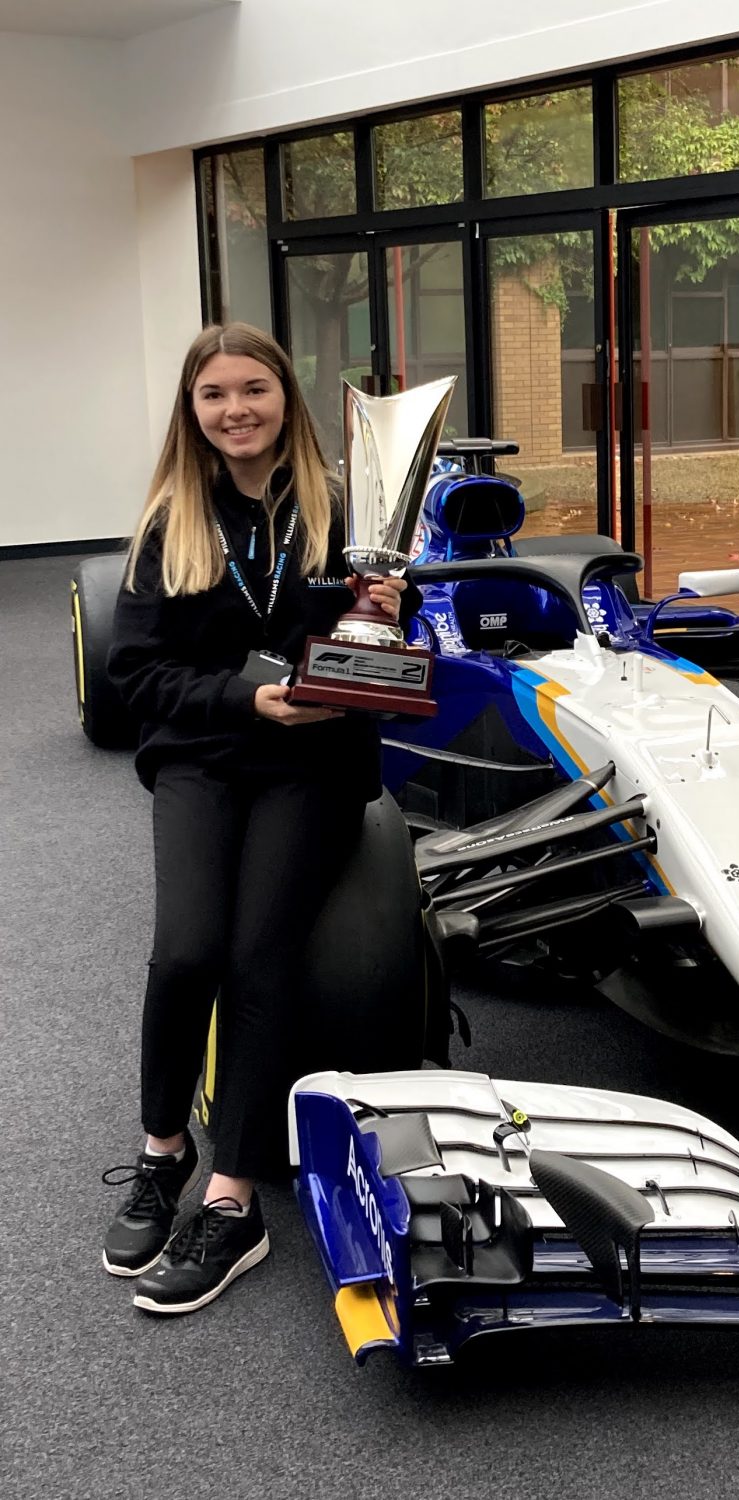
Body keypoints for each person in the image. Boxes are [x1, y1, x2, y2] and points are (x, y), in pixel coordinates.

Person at [101, 323, 418, 1315]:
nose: (234, 409)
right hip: (205, 755)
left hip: (312, 765)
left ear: (285, 395)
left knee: (257, 956)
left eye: (253, 389)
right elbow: (136, 676)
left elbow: (372, 651)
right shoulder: (172, 522)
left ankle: (233, 1202)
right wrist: (245, 702)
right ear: (191, 413)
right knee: (185, 950)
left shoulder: (342, 511)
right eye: (213, 395)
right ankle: (163, 1152)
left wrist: (384, 615)